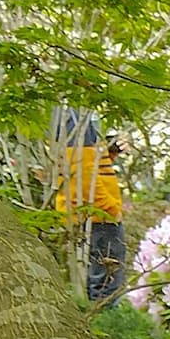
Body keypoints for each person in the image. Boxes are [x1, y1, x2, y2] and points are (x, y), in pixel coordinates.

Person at [51, 112, 127, 303]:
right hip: (97, 217)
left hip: (92, 215)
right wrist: (110, 209)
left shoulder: (76, 115)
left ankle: (100, 321)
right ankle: (104, 325)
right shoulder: (74, 117)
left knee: (98, 280)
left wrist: (109, 153)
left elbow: (87, 166)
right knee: (105, 287)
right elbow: (83, 177)